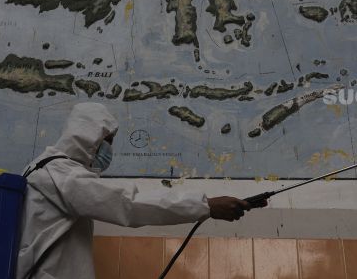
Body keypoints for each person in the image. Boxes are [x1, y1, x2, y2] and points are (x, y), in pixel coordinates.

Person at [16, 102, 267, 279]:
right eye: (108, 141)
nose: (109, 150)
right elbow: (129, 204)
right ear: (87, 136)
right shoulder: (61, 174)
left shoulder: (48, 170)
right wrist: (206, 205)